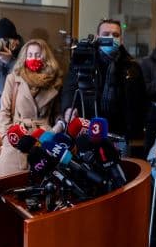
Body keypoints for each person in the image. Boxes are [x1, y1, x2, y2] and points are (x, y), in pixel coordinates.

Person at [61, 18, 148, 149]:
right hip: (89, 127)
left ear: (121, 40)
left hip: (119, 133)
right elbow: (70, 86)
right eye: (106, 34)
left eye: (115, 35)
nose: (111, 38)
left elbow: (140, 101)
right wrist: (68, 108)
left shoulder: (132, 67)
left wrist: (136, 129)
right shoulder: (84, 61)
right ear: (97, 37)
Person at [0, 38, 63, 178]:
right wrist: (7, 137)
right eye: (30, 55)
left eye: (37, 55)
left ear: (45, 57)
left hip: (43, 138)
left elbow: (57, 113)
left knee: (41, 189)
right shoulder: (14, 79)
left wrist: (58, 127)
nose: (33, 58)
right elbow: (4, 112)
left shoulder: (54, 82)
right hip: (16, 138)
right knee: (8, 186)